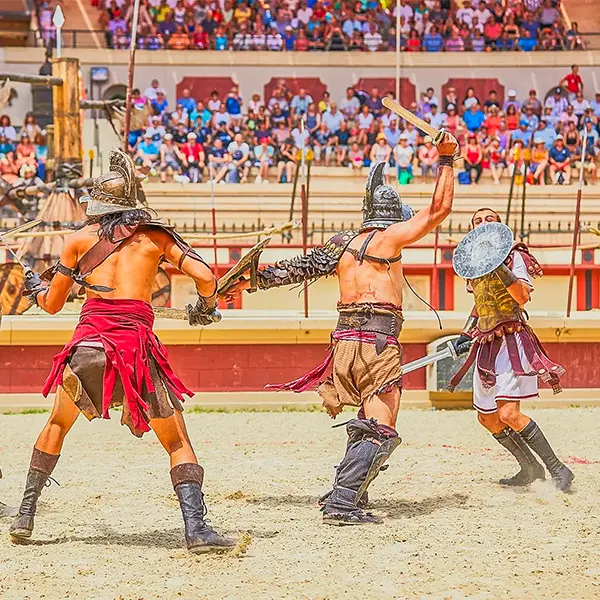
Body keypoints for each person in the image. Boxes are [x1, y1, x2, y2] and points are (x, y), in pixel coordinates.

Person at [224, 134, 458, 525]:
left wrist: (249, 282)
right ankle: (342, 502)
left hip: (345, 342)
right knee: (382, 427)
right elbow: (439, 210)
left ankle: (348, 493)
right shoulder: (389, 238)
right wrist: (447, 159)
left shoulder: (343, 244)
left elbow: (294, 269)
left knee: (369, 421)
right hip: (377, 341)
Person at [9, 149, 236, 553]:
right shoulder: (156, 238)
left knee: (57, 424)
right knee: (177, 439)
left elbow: (52, 305)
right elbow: (205, 276)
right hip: (134, 351)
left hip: (88, 348)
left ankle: (25, 514)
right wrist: (205, 307)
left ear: (98, 206)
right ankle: (196, 529)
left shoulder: (77, 241)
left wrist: (34, 286)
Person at [449, 208, 574, 492]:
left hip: (511, 340)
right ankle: (530, 469)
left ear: (500, 225)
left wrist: (496, 264)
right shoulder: (473, 266)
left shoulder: (514, 256)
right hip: (485, 343)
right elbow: (479, 305)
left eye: (489, 218)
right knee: (488, 418)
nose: (482, 223)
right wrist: (466, 332)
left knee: (508, 414)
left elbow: (522, 296)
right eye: (477, 220)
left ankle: (558, 468)